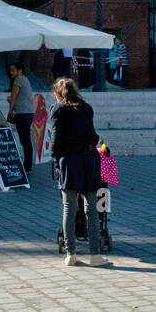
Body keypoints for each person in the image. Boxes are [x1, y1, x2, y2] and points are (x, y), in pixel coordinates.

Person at [48, 77, 106, 266]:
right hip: (89, 159)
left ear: (57, 94)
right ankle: (95, 254)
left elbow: (56, 139)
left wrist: (55, 159)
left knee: (69, 208)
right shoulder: (86, 108)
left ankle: (70, 253)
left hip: (70, 160)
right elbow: (93, 134)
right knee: (91, 209)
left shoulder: (58, 110)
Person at [7, 61, 35, 173]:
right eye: (10, 70)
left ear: (20, 70)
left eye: (13, 70)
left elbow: (13, 97)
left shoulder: (19, 79)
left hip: (22, 113)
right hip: (27, 113)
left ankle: (27, 167)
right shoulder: (25, 79)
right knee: (25, 140)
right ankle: (27, 165)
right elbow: (16, 97)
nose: (11, 73)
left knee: (25, 141)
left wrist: (10, 112)